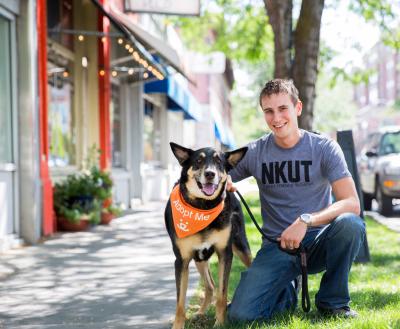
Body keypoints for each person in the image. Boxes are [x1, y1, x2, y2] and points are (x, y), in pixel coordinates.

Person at [226, 79, 366, 322]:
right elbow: (216, 171)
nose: (276, 118)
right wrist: (221, 180)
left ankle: (332, 303)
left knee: (351, 224)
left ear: (297, 108)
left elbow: (352, 203)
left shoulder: (324, 148)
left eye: (283, 109)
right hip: (276, 246)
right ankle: (288, 289)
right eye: (269, 111)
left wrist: (306, 221)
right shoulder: (256, 152)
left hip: (318, 241)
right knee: (240, 316)